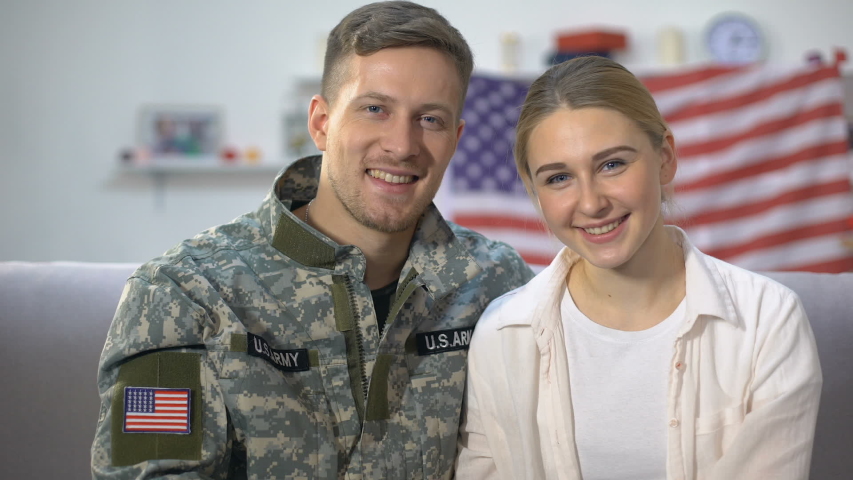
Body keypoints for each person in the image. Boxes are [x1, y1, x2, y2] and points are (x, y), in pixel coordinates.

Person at [90, 2, 534, 478]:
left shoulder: (497, 285)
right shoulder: (183, 295)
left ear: (457, 138)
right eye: (375, 109)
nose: (402, 145)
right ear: (322, 123)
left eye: (430, 119)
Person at [455, 56, 822, 479]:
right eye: (558, 178)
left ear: (664, 158)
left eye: (612, 164)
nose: (591, 203)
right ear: (534, 190)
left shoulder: (769, 321)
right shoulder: (502, 334)